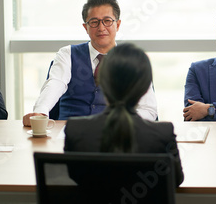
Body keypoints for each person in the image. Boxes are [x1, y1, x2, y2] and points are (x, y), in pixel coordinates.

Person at [23, 0, 157, 125]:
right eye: (94, 22)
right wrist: (40, 113)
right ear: (85, 27)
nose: (101, 27)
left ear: (118, 24)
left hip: (115, 136)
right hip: (68, 134)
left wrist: (122, 125)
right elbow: (55, 84)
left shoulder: (132, 59)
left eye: (107, 21)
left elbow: (148, 110)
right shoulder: (67, 54)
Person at [64, 43, 184, 186]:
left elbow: (71, 178)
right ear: (145, 87)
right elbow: (175, 180)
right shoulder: (163, 134)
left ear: (102, 82)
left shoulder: (75, 130)